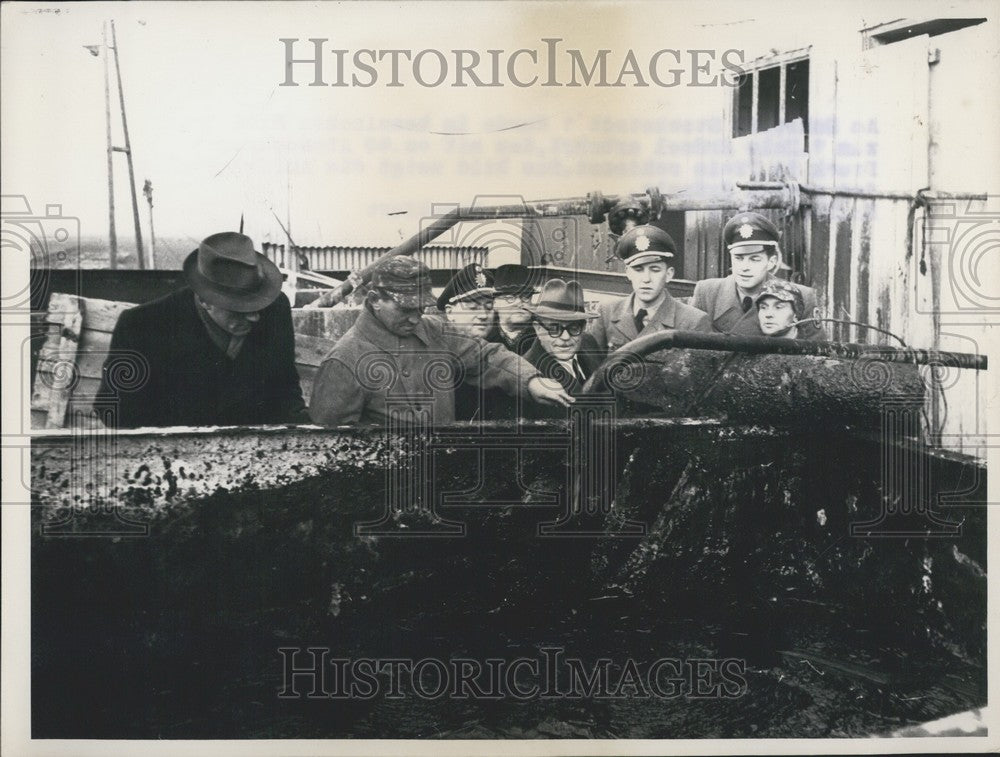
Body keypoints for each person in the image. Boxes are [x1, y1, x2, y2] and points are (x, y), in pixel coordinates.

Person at [308, 256, 572, 426]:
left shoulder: (436, 332)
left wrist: (530, 380)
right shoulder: (344, 361)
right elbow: (330, 447)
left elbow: (486, 356)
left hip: (442, 475)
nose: (415, 318)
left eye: (420, 308)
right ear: (375, 300)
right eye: (405, 309)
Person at [95, 231, 308, 428]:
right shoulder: (141, 327)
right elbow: (115, 412)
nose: (255, 316)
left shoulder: (275, 309)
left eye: (258, 305)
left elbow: (285, 388)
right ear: (205, 300)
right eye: (240, 309)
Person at [691, 211, 822, 338]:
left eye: (754, 259)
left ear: (771, 262)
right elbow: (691, 350)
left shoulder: (802, 296)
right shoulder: (707, 293)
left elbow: (818, 356)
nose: (744, 268)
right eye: (738, 258)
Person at [589, 224, 711, 352]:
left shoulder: (694, 322)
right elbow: (593, 367)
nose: (646, 279)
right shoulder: (607, 312)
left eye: (655, 270)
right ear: (628, 273)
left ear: (669, 274)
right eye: (638, 270)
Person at [523, 279, 605, 418]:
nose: (565, 337)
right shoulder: (528, 373)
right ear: (537, 328)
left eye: (574, 328)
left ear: (583, 328)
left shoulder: (589, 343)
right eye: (554, 329)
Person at [487, 263, 539, 356]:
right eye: (510, 298)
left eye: (525, 296)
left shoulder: (541, 336)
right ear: (495, 303)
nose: (519, 302)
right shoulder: (484, 337)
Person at [754, 279, 821, 340]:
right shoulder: (753, 348)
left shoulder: (811, 349)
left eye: (778, 307)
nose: (768, 314)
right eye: (763, 307)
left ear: (796, 314)